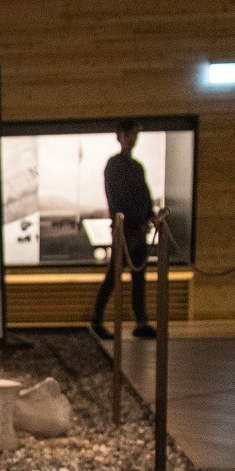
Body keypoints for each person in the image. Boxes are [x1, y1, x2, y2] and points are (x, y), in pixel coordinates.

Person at [91, 119, 157, 340]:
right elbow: (117, 198)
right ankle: (97, 321)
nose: (133, 138)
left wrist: (149, 216)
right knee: (113, 275)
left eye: (134, 134)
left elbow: (145, 196)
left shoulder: (136, 167)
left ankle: (141, 321)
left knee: (138, 276)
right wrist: (138, 218)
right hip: (125, 229)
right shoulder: (115, 166)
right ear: (120, 135)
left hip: (137, 229)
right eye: (129, 134)